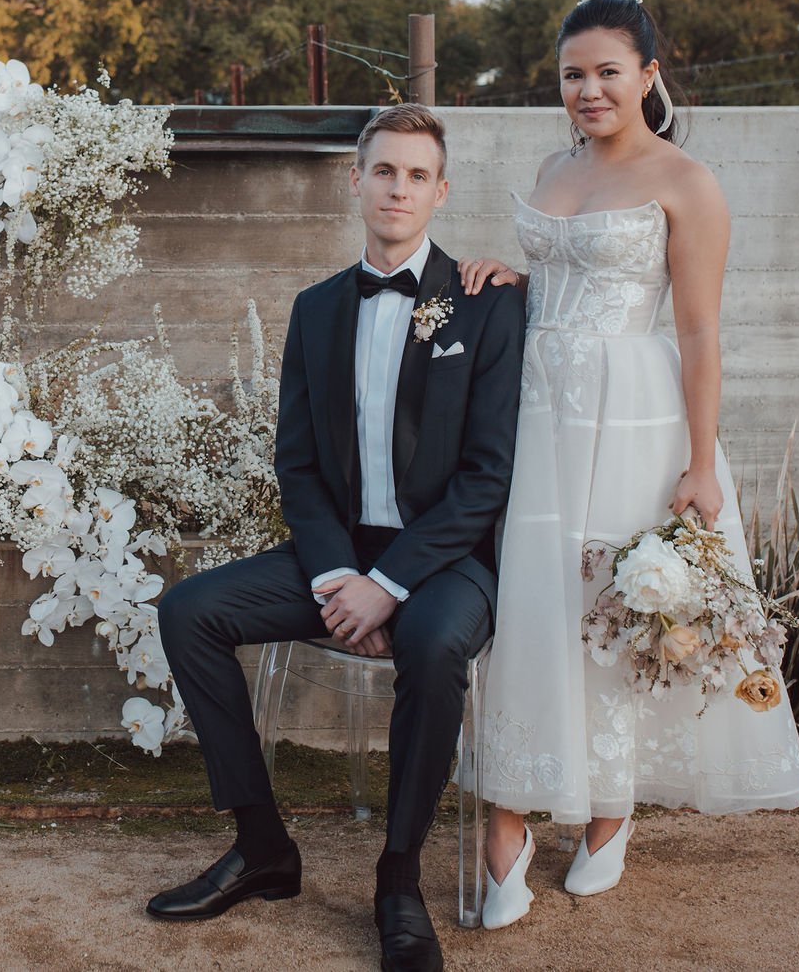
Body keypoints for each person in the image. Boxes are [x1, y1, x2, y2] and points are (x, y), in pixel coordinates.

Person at [457, 0, 799, 930]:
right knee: (530, 599)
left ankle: (609, 813)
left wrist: (701, 465)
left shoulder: (686, 181)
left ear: (649, 74)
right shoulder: (551, 166)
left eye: (609, 70)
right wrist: (514, 275)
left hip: (636, 416)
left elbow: (696, 329)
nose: (589, 89)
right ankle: (510, 820)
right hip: (536, 414)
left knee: (612, 603)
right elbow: (567, 280)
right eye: (574, 73)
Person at [148, 103, 524, 972]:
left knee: (432, 648)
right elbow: (299, 465)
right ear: (355, 180)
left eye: (417, 175)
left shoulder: (485, 306)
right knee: (188, 610)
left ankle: (399, 876)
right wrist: (335, 577)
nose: (398, 188)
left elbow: (486, 479)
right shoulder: (316, 308)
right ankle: (262, 845)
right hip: (337, 555)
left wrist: (386, 584)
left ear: (440, 190)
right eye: (383, 170)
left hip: (448, 560)